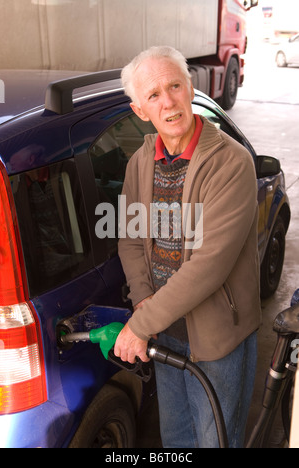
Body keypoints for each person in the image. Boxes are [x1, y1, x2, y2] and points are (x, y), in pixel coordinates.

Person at [114, 46, 262, 448]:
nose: (169, 102)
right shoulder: (139, 164)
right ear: (140, 110)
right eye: (154, 95)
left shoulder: (231, 163)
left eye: (174, 86)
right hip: (164, 335)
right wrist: (145, 305)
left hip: (216, 341)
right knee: (175, 440)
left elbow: (208, 266)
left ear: (191, 87)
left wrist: (140, 326)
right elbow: (129, 238)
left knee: (215, 440)